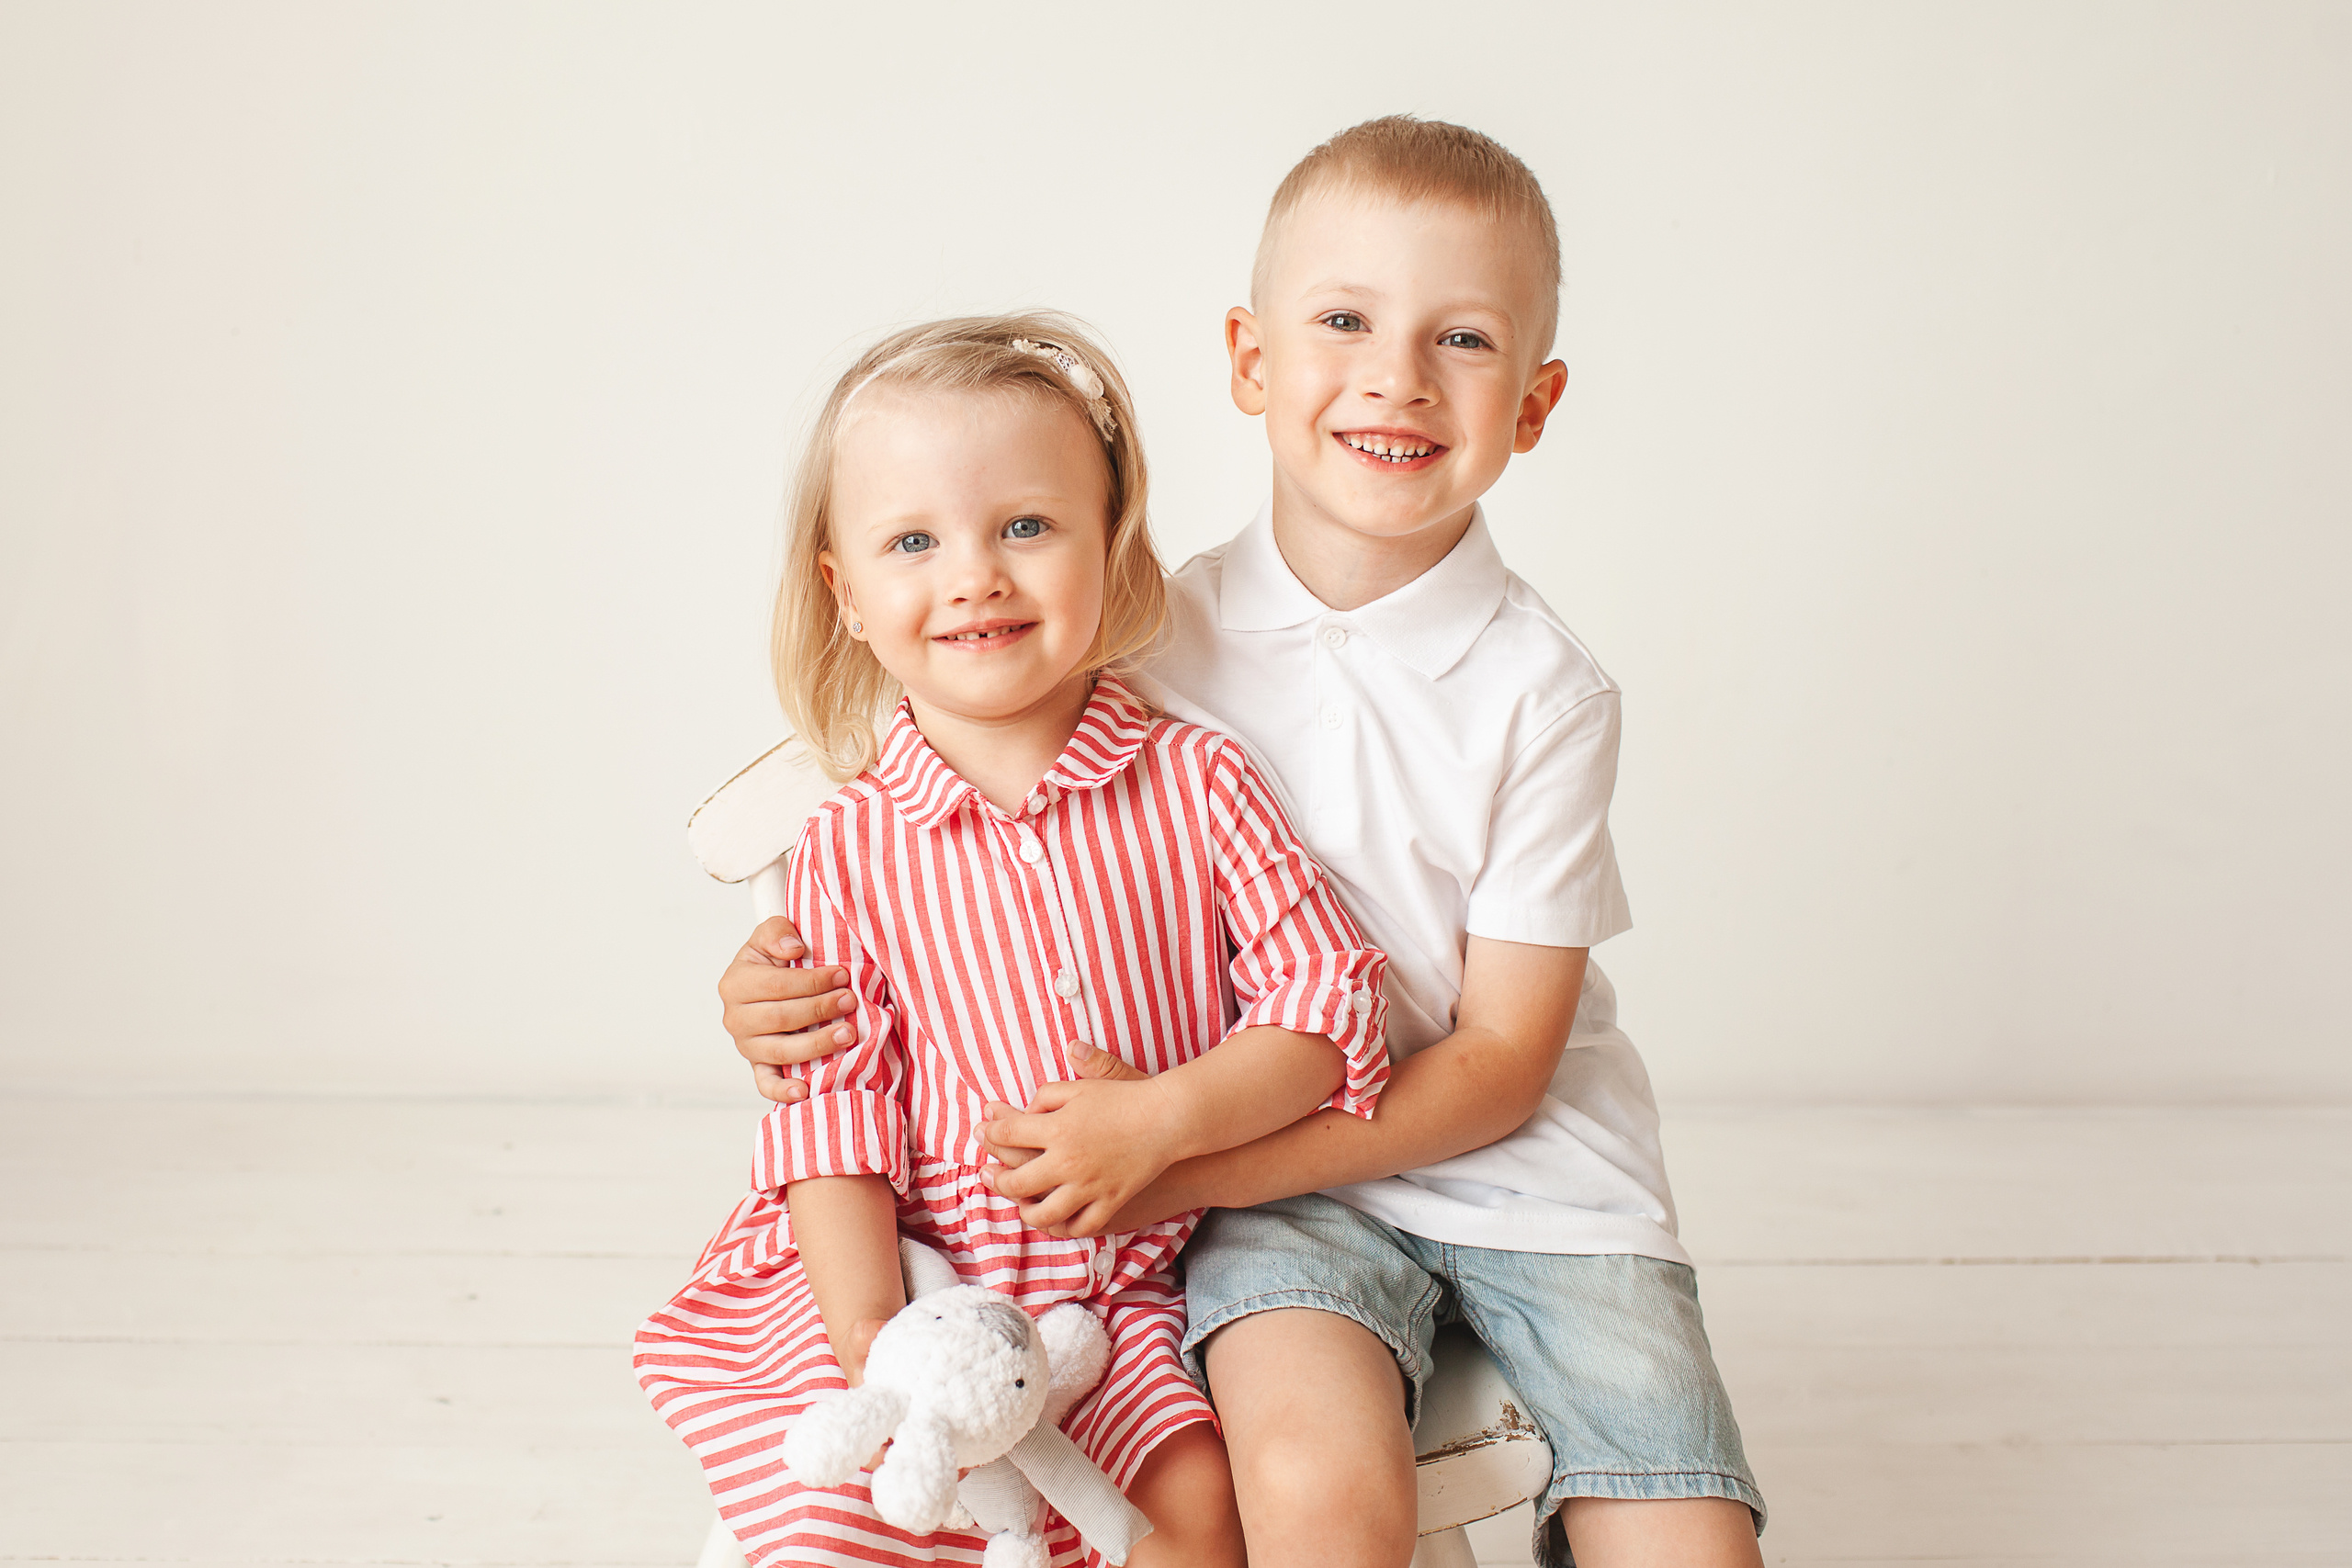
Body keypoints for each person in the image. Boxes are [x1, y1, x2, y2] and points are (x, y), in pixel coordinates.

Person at [719, 118, 1769, 1568]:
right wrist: (770, 983)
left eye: (1461, 338)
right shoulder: (1142, 634)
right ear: (1252, 362)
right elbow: (942, 806)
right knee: (1313, 1503)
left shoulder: (1547, 692)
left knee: (1691, 1543)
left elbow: (1501, 1061)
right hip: (1283, 1196)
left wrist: (1179, 1155)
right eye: (1344, 321)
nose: (1397, 377)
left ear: (1533, 404)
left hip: (1528, 1177)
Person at [635, 313, 1394, 1568]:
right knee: (845, 1516)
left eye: (1027, 527)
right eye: (915, 542)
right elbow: (833, 1112)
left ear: (1113, 547)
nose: (976, 573)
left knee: (1193, 1510)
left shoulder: (1198, 783)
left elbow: (1326, 1005)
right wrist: (879, 1337)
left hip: (1119, 1291)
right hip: (915, 1273)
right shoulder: (851, 848)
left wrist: (1166, 1116)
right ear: (850, 594)